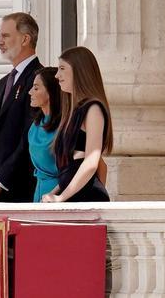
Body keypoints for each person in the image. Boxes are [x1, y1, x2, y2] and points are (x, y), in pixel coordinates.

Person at [0, 13, 43, 202]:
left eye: (5, 36)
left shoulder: (40, 79)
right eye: (0, 36)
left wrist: (1, 180)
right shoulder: (2, 83)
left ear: (25, 39)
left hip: (21, 188)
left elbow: (29, 137)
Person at [42, 46, 112, 203]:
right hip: (73, 197)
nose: (57, 75)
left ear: (79, 71)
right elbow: (69, 170)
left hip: (86, 198)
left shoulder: (93, 108)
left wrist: (60, 198)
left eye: (62, 68)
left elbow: (91, 162)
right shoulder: (74, 112)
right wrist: (53, 194)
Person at [26, 67, 61, 201]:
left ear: (51, 91)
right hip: (39, 192)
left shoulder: (65, 126)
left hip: (58, 195)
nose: (30, 92)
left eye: (36, 88)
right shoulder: (35, 125)